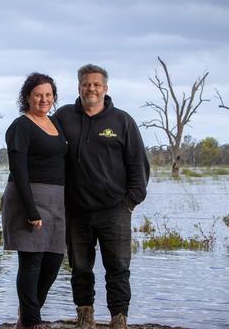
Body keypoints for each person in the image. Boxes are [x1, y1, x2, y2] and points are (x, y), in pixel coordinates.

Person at [54, 64, 150, 329]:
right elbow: (49, 152)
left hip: (115, 210)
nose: (91, 89)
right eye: (86, 84)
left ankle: (119, 321)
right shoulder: (63, 117)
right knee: (80, 269)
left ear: (105, 88)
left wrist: (130, 202)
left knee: (118, 269)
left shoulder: (122, 121)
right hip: (76, 211)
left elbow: (139, 165)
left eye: (97, 84)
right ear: (79, 87)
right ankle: (86, 319)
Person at [2, 72, 68, 329]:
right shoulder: (21, 126)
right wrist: (31, 210)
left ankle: (26, 317)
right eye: (38, 95)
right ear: (27, 97)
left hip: (57, 201)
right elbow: (18, 170)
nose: (44, 99)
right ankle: (32, 322)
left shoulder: (56, 124)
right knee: (31, 262)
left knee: (53, 261)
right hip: (27, 198)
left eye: (48, 95)